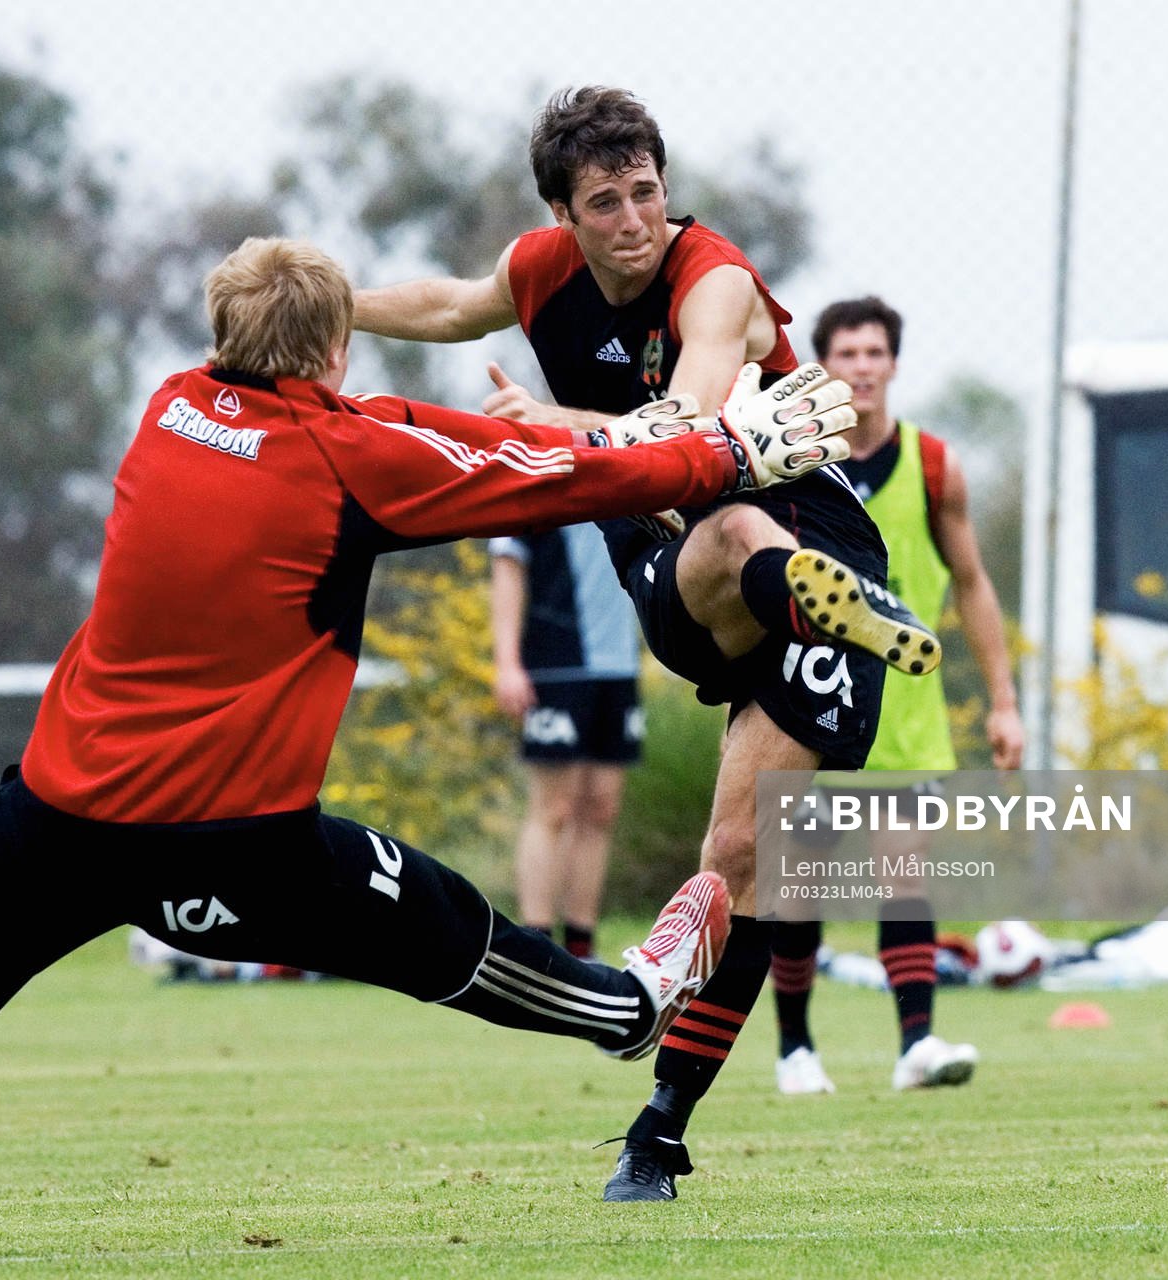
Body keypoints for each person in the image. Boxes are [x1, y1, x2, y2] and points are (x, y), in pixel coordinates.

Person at [0, 236, 860, 1271]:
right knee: (461, 938)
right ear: (333, 352)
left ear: (222, 331)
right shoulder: (354, 450)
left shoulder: (167, 408)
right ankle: (630, 1004)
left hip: (62, 818)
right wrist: (732, 453)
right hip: (248, 844)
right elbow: (543, 471)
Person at [352, 86, 941, 1203]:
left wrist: (549, 427)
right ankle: (801, 597)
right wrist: (339, 303)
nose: (633, 219)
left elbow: (683, 427)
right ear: (564, 213)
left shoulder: (711, 278)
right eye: (605, 201)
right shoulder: (538, 271)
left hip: (809, 540)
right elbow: (449, 305)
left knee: (738, 869)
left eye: (645, 193)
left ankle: (655, 1135)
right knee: (719, 532)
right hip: (687, 569)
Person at [768, 297, 1025, 1096]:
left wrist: (1002, 700)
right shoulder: (790, 458)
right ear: (822, 367)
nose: (862, 366)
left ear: (892, 365)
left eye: (875, 352)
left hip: (906, 715)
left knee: (902, 874)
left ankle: (916, 1041)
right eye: (846, 353)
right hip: (811, 701)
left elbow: (972, 584)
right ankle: (794, 1050)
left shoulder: (934, 466)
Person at [488, 520, 643, 960]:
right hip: (554, 664)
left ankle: (581, 949)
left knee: (601, 807)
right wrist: (507, 663)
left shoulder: (626, 475)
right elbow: (507, 564)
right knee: (553, 807)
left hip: (618, 667)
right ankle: (536, 948)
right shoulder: (536, 477)